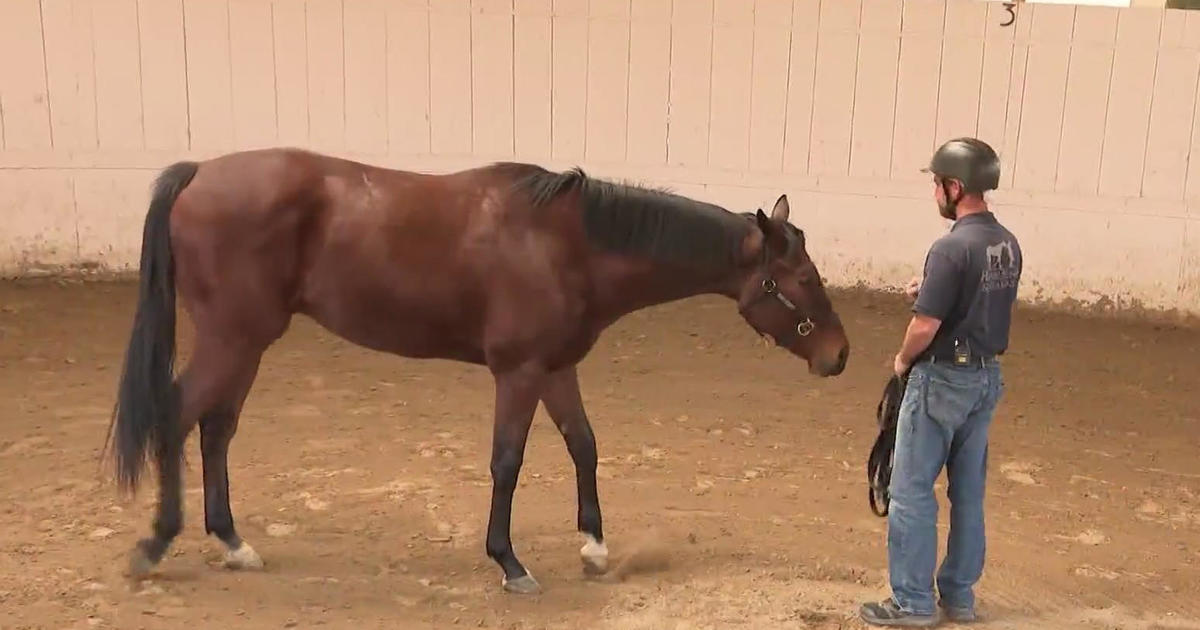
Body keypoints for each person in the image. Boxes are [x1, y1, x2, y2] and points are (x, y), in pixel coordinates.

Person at [859, 137, 1023, 627]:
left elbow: (924, 326)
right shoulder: (1005, 243)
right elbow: (980, 299)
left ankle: (911, 602)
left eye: (937, 183)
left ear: (955, 186)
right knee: (968, 493)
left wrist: (902, 361)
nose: (935, 192)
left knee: (910, 491)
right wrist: (928, 285)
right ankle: (960, 598)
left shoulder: (950, 247)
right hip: (985, 377)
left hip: (941, 379)